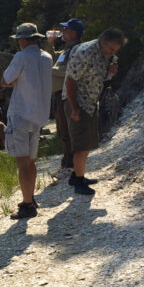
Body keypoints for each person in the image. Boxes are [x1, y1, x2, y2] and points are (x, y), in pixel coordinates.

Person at [64, 28, 127, 195]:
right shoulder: (85, 52)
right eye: (111, 49)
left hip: (90, 103)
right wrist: (75, 108)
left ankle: (77, 175)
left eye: (115, 50)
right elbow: (70, 80)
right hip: (78, 102)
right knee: (81, 145)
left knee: (88, 143)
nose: (112, 53)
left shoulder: (103, 55)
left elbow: (96, 77)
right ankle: (78, 181)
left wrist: (110, 74)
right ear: (103, 42)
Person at [1, 23, 53, 219]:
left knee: (22, 163)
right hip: (38, 116)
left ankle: (27, 204)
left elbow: (5, 81)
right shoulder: (47, 58)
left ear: (22, 40)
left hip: (21, 115)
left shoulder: (21, 57)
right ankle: (30, 197)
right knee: (31, 161)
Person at [51, 19, 84, 173]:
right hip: (59, 95)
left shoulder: (77, 50)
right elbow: (53, 59)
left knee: (69, 130)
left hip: (69, 95)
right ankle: (67, 162)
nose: (62, 31)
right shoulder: (65, 50)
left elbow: (70, 71)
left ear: (74, 32)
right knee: (63, 130)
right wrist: (50, 43)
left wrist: (51, 70)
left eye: (66, 29)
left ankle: (72, 164)